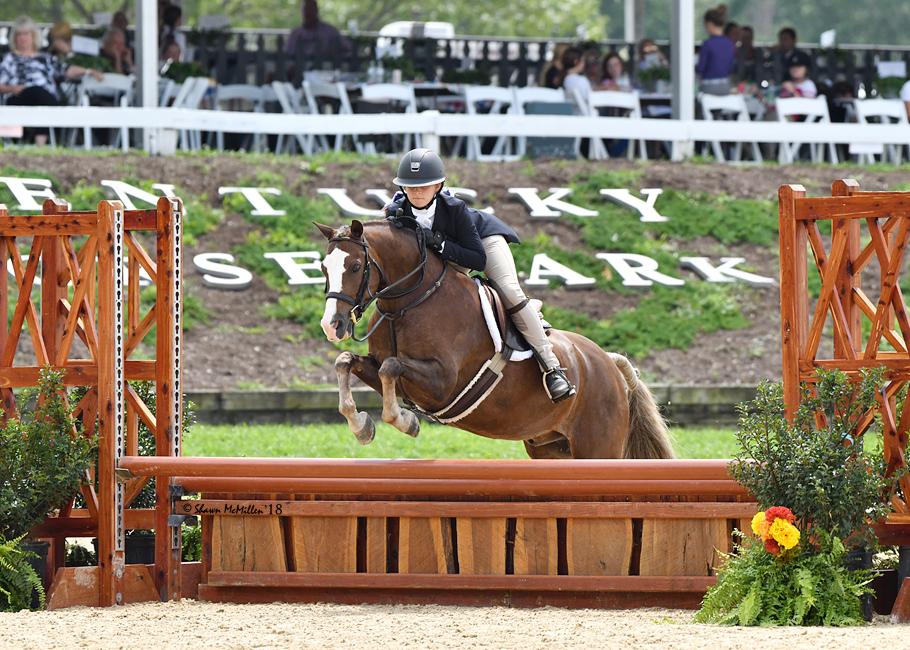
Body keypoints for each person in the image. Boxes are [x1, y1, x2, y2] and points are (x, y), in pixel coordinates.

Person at [383, 149, 576, 403]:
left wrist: (440, 243)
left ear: (438, 186)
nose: (417, 192)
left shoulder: (455, 209)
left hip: (483, 242)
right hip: (448, 255)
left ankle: (552, 368)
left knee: (508, 290)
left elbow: (476, 259)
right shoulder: (397, 214)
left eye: (424, 186)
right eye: (410, 187)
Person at [0, 15, 103, 145]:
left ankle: (40, 144)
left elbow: (66, 69)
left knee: (42, 98)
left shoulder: (46, 58)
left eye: (26, 34)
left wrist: (88, 71)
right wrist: (14, 88)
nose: (22, 38)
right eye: (19, 34)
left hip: (44, 98)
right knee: (39, 93)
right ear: (14, 38)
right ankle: (43, 141)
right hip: (19, 98)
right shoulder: (9, 59)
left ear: (33, 36)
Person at [285, 0, 352, 61]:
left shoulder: (330, 32)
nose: (307, 13)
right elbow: (287, 54)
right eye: (305, 9)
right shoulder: (295, 34)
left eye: (310, 9)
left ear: (316, 10)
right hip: (299, 68)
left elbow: (347, 48)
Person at [696, 4, 735, 96]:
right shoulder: (730, 43)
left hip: (709, 87)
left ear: (709, 24)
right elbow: (731, 67)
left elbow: (701, 68)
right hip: (726, 86)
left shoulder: (708, 44)